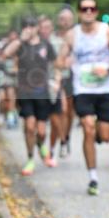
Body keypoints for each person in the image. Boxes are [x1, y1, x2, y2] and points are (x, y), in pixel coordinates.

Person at [59, 0, 109, 195]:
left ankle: (99, 132)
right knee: (87, 128)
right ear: (79, 12)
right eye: (84, 8)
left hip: (106, 89)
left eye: (92, 8)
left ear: (96, 11)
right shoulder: (72, 35)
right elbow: (59, 61)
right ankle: (93, 177)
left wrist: (108, 69)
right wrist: (64, 63)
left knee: (105, 136)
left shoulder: (108, 32)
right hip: (83, 89)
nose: (88, 12)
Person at [2, 18, 57, 175]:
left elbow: (55, 64)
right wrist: (21, 39)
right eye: (25, 26)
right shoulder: (21, 45)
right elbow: (6, 54)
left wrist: (56, 81)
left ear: (37, 27)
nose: (29, 29)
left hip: (43, 93)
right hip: (25, 92)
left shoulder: (46, 44)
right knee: (30, 127)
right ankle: (30, 159)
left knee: (42, 132)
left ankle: (41, 145)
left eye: (31, 26)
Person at [48, 8, 75, 159]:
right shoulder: (51, 39)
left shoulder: (77, 37)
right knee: (61, 111)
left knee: (69, 113)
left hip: (73, 78)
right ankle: (61, 141)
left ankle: (66, 138)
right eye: (62, 19)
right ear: (58, 21)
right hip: (55, 79)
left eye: (68, 19)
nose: (65, 22)